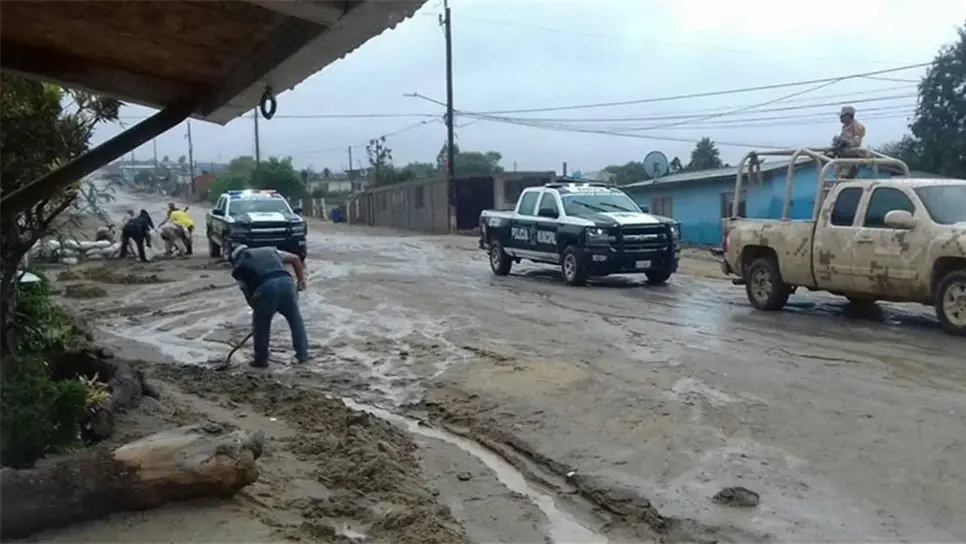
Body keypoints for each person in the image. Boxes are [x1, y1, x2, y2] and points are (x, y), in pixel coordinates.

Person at [229, 244, 309, 368]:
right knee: (295, 320)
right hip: (287, 283)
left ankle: (261, 359)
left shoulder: (239, 267)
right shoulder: (270, 251)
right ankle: (302, 355)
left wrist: (257, 308)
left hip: (265, 288)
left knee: (261, 326)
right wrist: (301, 280)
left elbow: (246, 291)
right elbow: (295, 258)